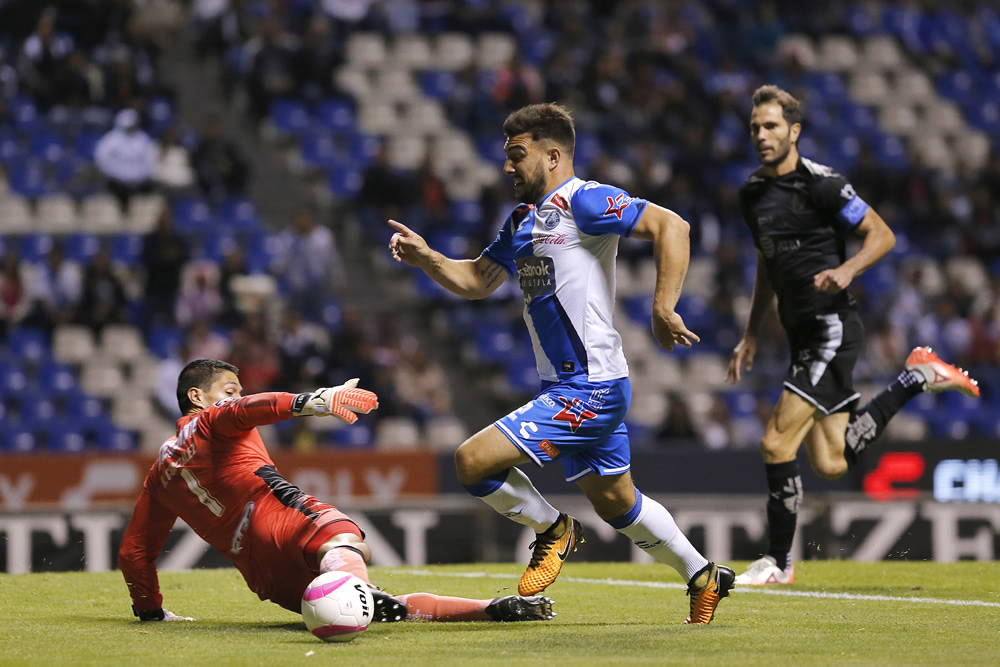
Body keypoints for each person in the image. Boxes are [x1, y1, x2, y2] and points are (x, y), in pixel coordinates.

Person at [388, 103, 734, 624]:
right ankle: (702, 574)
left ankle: (553, 530)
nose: (507, 167)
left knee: (471, 461)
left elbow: (674, 226)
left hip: (587, 387)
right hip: (576, 384)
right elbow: (478, 280)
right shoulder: (522, 220)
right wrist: (427, 258)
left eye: (517, 155)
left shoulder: (585, 201)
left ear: (553, 155)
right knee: (619, 503)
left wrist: (663, 307)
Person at [727, 85, 980, 586]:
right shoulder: (752, 193)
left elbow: (881, 234)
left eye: (772, 126)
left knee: (776, 444)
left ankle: (778, 561)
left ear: (794, 131)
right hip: (800, 334)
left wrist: (848, 270)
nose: (762, 135)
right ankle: (915, 378)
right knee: (831, 460)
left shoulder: (822, 184)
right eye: (756, 127)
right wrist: (751, 332)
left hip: (830, 327)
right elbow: (766, 264)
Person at [119, 359, 554, 625]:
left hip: (262, 574)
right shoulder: (214, 419)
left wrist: (150, 611)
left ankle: (490, 608)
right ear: (197, 396)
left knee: (369, 606)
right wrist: (314, 401)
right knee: (346, 542)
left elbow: (134, 552)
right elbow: (244, 409)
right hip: (280, 516)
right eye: (229, 388)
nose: (237, 395)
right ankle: (359, 589)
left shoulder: (158, 475)